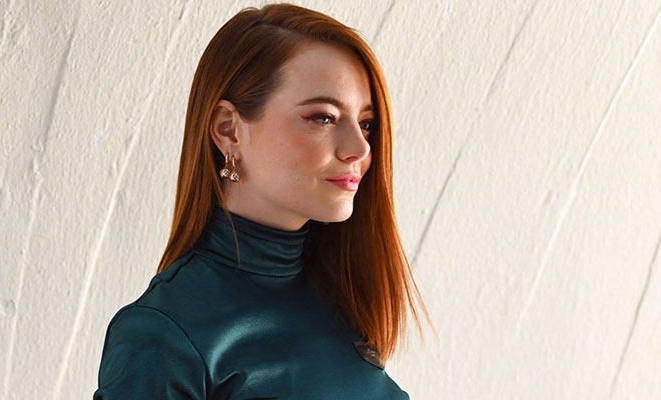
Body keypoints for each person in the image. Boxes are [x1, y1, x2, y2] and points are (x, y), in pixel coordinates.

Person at [93, 3, 438, 399]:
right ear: (229, 130)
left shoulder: (339, 294)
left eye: (366, 123)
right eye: (324, 118)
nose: (359, 148)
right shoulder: (163, 336)